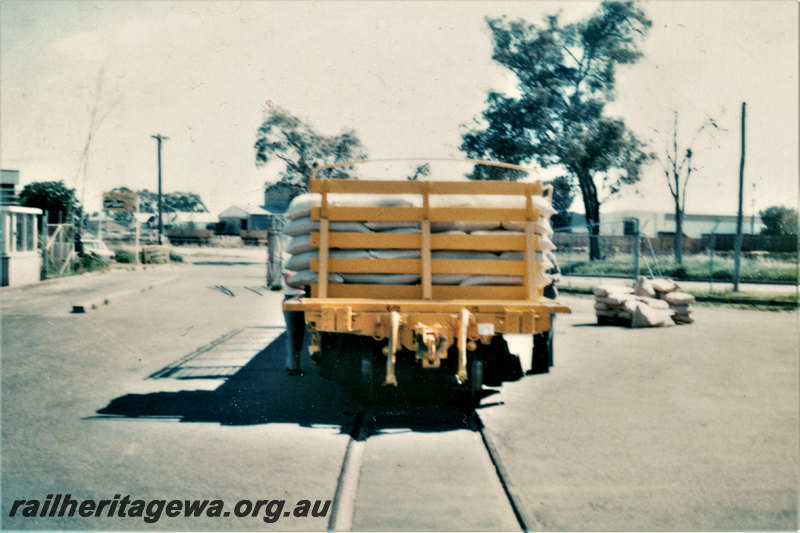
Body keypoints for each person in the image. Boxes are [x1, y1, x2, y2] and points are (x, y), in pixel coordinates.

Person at [282, 272, 310, 376]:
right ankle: (292, 366)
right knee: (293, 335)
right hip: (292, 300)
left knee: (299, 335)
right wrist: (308, 288)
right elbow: (288, 280)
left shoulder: (303, 268)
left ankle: (294, 365)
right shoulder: (289, 266)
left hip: (302, 301)